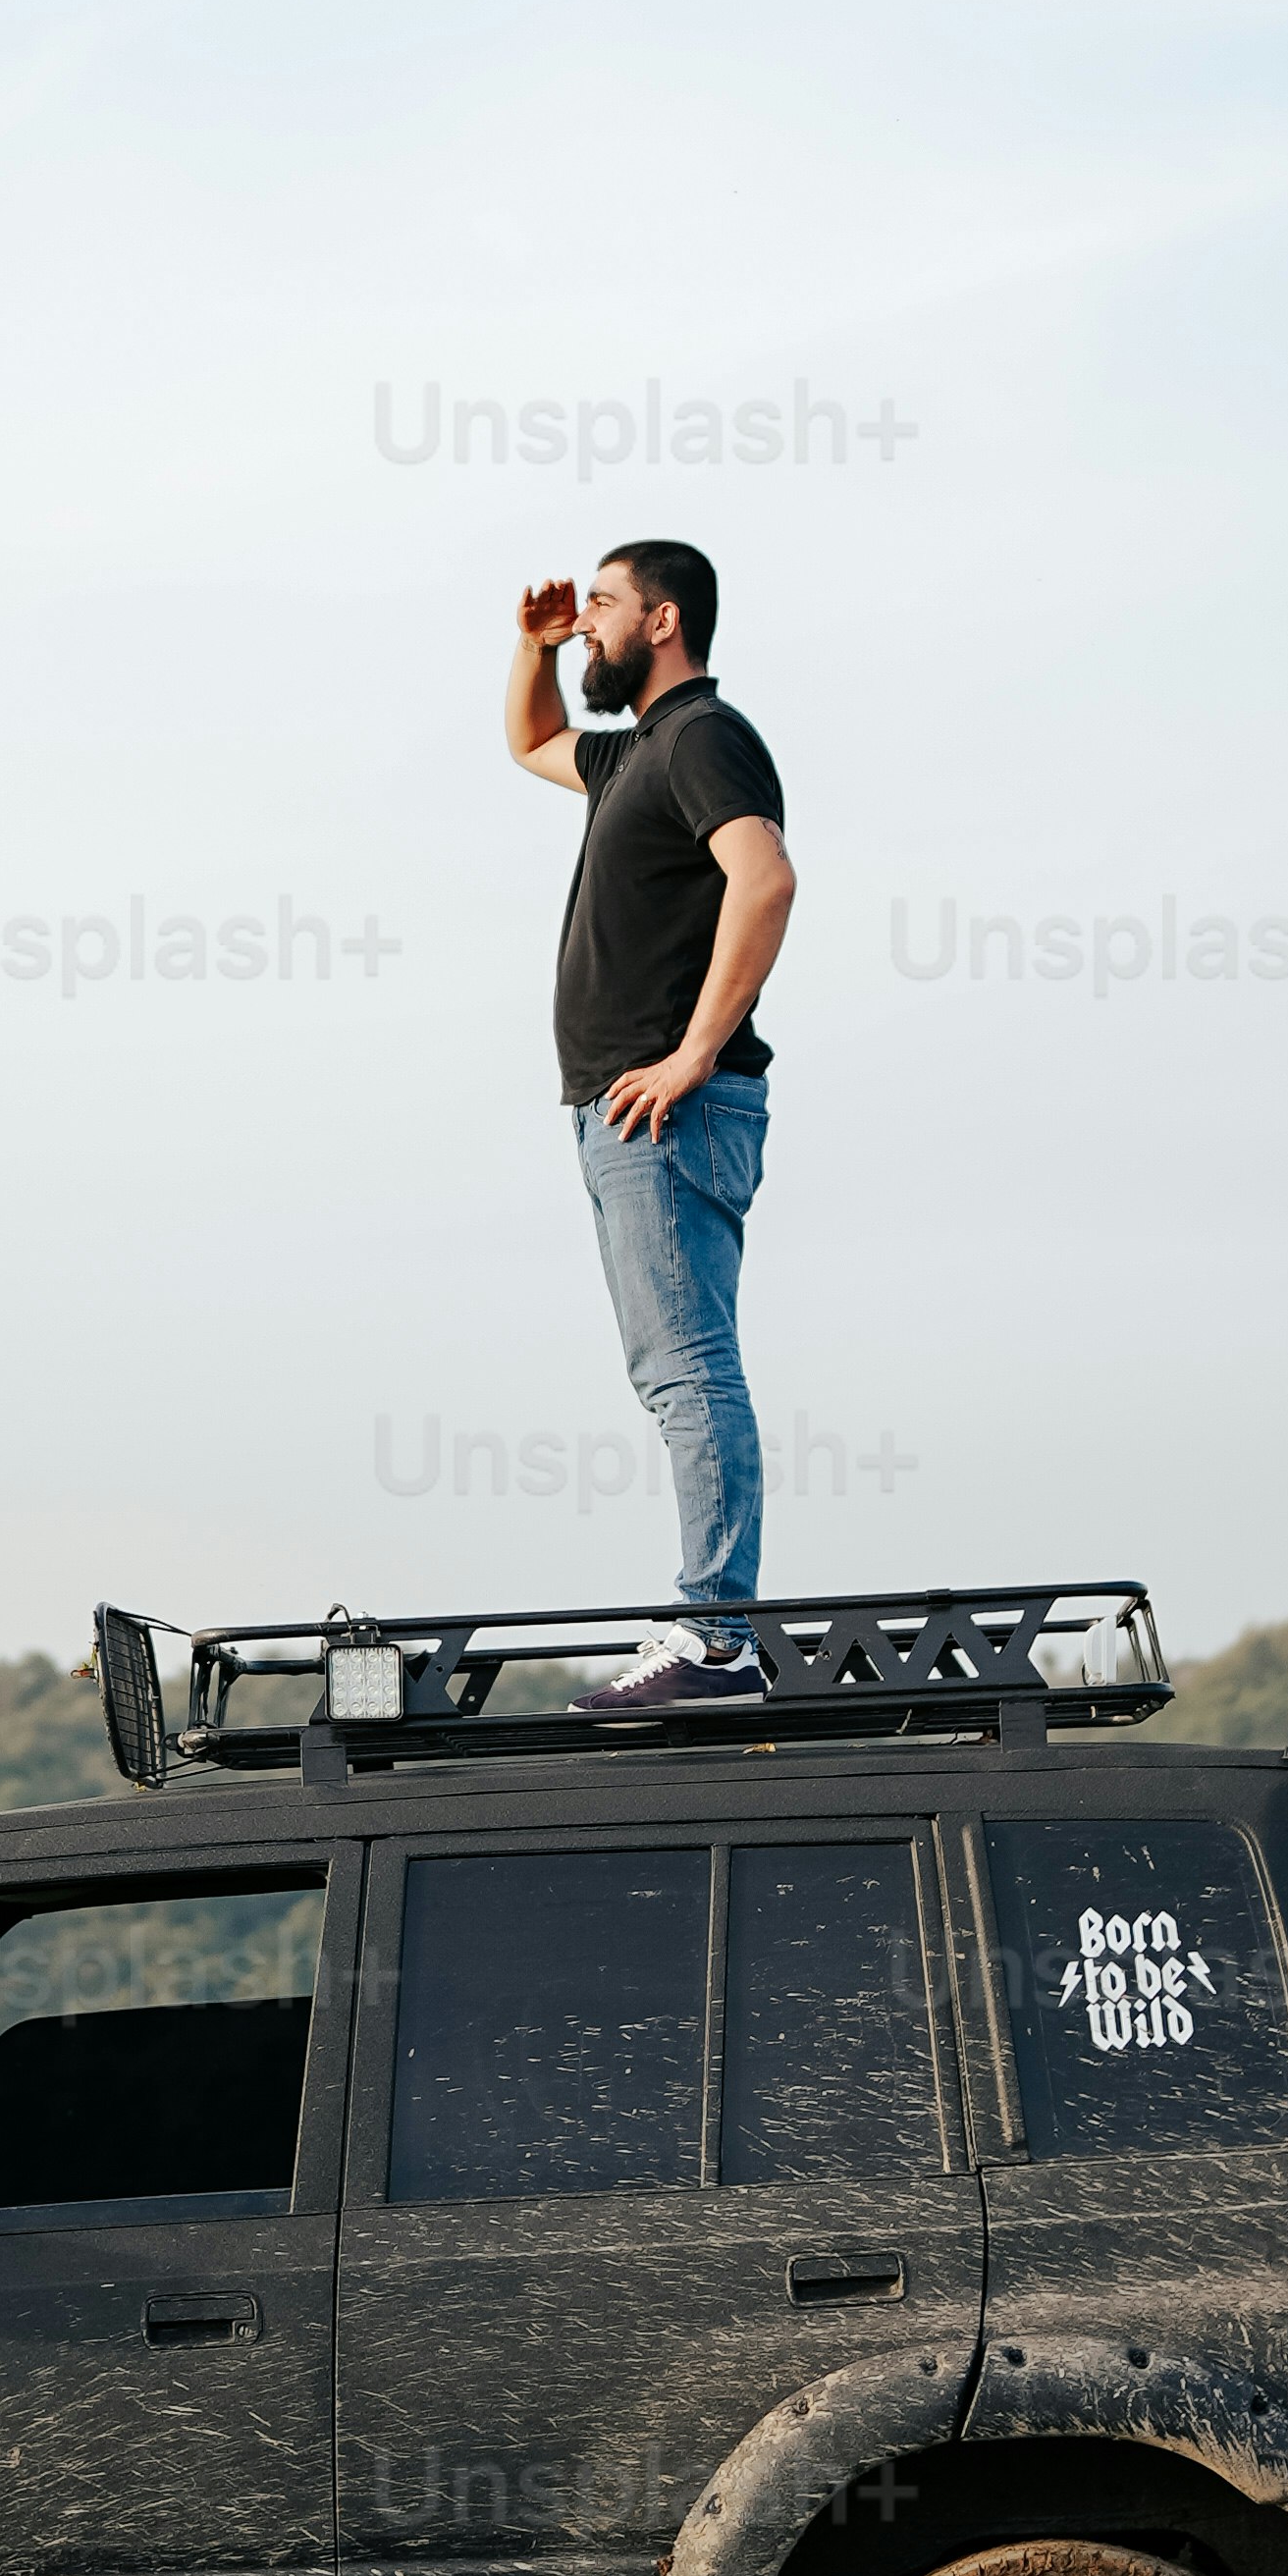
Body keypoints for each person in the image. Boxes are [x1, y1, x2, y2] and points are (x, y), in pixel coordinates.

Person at [504, 542, 797, 1713]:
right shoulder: (634, 754)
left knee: (687, 1374)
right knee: (672, 1373)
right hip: (624, 1113)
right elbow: (528, 744)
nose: (588, 632)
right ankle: (710, 1631)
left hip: (666, 1107)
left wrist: (690, 1053)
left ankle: (714, 1639)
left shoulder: (700, 738)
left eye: (604, 611)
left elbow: (763, 879)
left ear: (663, 620)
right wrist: (529, 647)